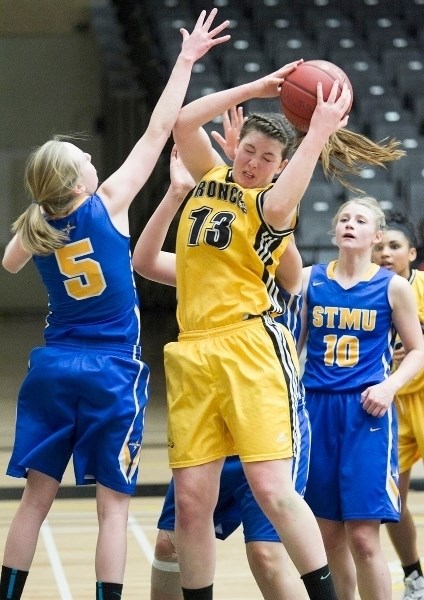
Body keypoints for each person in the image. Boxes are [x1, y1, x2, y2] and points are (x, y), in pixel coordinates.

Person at [0, 10, 230, 600]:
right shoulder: (106, 202)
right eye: (82, 161)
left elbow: (8, 264)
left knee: (34, 501)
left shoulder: (36, 225)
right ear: (77, 183)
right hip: (109, 371)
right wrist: (185, 61)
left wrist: (34, 225)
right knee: (111, 508)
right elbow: (158, 130)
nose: (92, 161)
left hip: (53, 367)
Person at [132, 140, 308, 600]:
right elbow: (146, 262)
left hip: (258, 397)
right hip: (207, 382)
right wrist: (198, 188)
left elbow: (274, 219)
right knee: (174, 534)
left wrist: (253, 179)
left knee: (266, 554)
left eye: (267, 159)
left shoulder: (277, 243)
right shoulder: (210, 253)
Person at [299, 197, 424, 600]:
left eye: (361, 220)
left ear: (376, 236)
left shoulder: (393, 287)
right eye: (344, 219)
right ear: (335, 231)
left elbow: (418, 350)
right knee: (328, 535)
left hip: (367, 414)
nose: (350, 224)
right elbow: (290, 346)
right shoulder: (308, 279)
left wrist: (389, 386)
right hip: (316, 409)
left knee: (365, 538)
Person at [372, 210, 424, 600]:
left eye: (394, 246)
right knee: (394, 499)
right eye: (379, 247)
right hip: (393, 406)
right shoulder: (368, 291)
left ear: (412, 253)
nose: (385, 253)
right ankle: (414, 575)